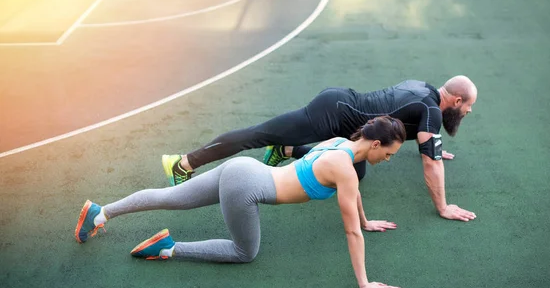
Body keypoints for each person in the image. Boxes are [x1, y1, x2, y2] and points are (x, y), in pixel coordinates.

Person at [75, 116, 406, 288]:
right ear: (376, 144)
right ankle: (166, 248)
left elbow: (353, 198)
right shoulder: (345, 170)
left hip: (242, 170)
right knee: (245, 252)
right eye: (388, 154)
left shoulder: (339, 145)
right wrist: (364, 283)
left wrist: (365, 220)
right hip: (247, 188)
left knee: (170, 197)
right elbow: (349, 229)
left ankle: (100, 212)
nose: (387, 160)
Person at [163, 76, 478, 222]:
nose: (468, 113)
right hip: (333, 111)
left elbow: (409, 127)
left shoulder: (423, 87)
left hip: (349, 119)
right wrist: (443, 206)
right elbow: (431, 162)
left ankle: (286, 151)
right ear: (457, 101)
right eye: (468, 107)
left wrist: (432, 145)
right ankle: (184, 163)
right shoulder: (430, 111)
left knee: (358, 172)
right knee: (258, 134)